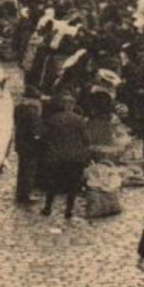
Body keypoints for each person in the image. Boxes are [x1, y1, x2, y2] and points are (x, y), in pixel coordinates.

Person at [39, 94, 90, 225]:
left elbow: (44, 137)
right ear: (72, 106)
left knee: (52, 183)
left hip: (56, 157)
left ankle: (48, 207)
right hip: (74, 158)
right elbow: (86, 140)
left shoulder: (53, 119)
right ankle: (68, 210)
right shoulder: (79, 120)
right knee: (73, 185)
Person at [11, 87, 44, 205]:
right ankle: (25, 195)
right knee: (29, 171)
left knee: (22, 170)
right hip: (30, 146)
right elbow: (36, 131)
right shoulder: (32, 112)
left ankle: (20, 193)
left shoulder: (19, 109)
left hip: (21, 144)